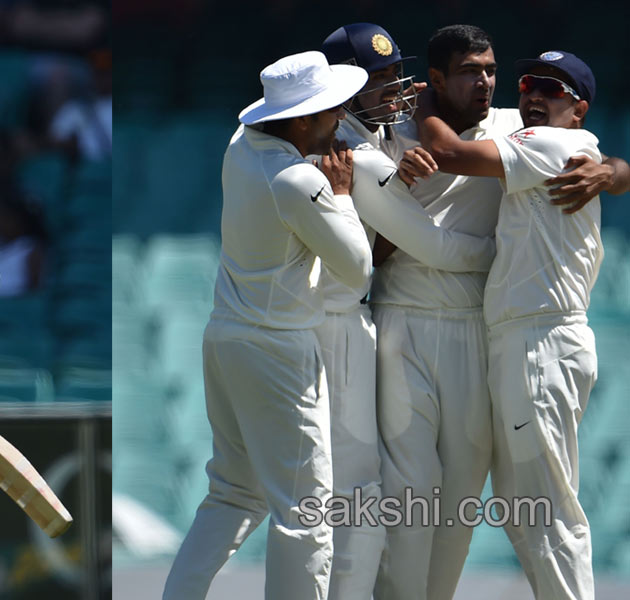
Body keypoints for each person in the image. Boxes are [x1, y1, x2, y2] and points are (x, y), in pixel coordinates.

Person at [371, 25, 629, 600]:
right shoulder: (397, 132)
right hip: (421, 324)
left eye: (491, 70)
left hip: (509, 335)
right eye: (472, 71)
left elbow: (588, 152)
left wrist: (613, 171)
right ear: (437, 77)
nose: (490, 83)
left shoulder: (523, 130)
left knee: (495, 507)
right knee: (438, 500)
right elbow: (368, 247)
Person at [162, 51, 371, 600]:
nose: (340, 119)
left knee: (233, 495)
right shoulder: (298, 179)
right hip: (277, 351)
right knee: (306, 513)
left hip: (225, 338)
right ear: (302, 120)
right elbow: (358, 267)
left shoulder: (240, 146)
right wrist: (344, 196)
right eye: (331, 111)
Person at [315, 23, 498, 600]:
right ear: (344, 88)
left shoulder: (389, 132)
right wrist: (509, 259)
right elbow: (423, 245)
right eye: (381, 78)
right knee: (407, 488)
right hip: (394, 320)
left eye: (397, 73)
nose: (396, 87)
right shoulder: (348, 147)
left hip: (464, 322)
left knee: (462, 489)